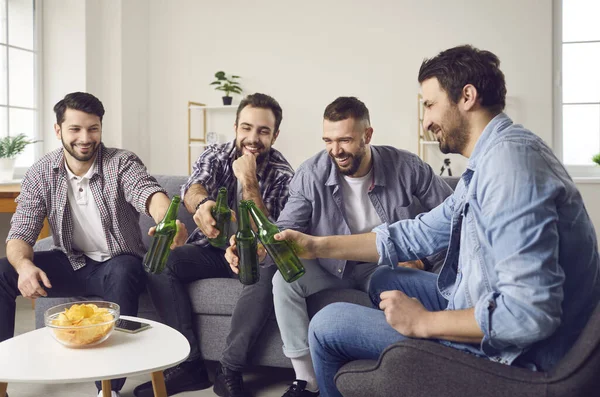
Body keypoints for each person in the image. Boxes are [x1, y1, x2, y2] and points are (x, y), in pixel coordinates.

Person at [272, 45, 600, 397]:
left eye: (429, 104)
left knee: (326, 323)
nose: (426, 120)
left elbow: (527, 315)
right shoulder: (492, 158)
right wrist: (315, 244)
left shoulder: (509, 169)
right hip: (483, 301)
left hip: (520, 356)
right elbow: (417, 232)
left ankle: (406, 356)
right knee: (385, 276)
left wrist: (424, 322)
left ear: (467, 97)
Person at [227, 96, 453, 397]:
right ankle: (307, 380)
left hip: (385, 265)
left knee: (399, 283)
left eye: (345, 140)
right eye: (328, 140)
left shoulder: (406, 166)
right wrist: (255, 248)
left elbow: (454, 218)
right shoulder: (310, 173)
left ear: (367, 135)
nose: (336, 150)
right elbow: (282, 232)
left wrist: (423, 261)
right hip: (330, 265)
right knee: (284, 280)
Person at [0, 92, 187, 397]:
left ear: (101, 127)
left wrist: (167, 220)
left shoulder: (121, 162)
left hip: (117, 262)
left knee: (123, 271)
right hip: (70, 262)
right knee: (2, 272)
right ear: (58, 130)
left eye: (93, 128)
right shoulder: (41, 172)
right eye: (75, 129)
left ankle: (107, 390)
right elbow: (21, 231)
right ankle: (0, 377)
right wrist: (23, 265)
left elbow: (149, 193)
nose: (85, 138)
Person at [134, 93, 295, 397]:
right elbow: (194, 185)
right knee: (158, 263)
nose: (253, 138)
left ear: (275, 135)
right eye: (246, 128)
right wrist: (203, 203)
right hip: (211, 251)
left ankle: (229, 370)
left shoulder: (283, 174)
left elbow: (264, 232)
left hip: (253, 256)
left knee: (271, 275)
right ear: (235, 127)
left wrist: (248, 180)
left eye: (263, 131)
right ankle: (190, 367)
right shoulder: (217, 154)